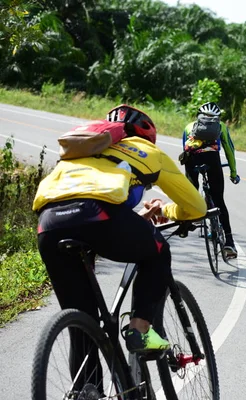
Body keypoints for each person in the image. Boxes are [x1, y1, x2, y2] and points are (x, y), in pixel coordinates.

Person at [33, 104, 207, 354]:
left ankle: (87, 392)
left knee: (83, 326)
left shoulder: (86, 150)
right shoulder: (147, 150)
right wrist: (165, 211)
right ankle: (140, 331)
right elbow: (196, 207)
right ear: (147, 136)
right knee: (158, 252)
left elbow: (87, 192)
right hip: (99, 216)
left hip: (49, 223)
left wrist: (133, 217)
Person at [181, 101, 240, 259]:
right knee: (219, 200)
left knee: (192, 192)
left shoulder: (188, 127)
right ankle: (229, 242)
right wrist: (233, 173)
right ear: (218, 117)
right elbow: (229, 149)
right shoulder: (221, 127)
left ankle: (192, 219)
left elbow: (184, 151)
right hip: (212, 161)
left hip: (192, 162)